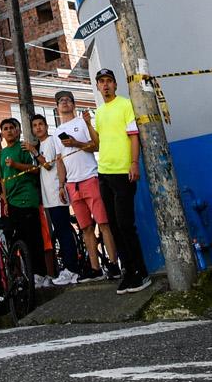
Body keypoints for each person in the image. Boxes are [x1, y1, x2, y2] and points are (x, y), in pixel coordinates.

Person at [79, 69, 151, 293]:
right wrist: (89, 124)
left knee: (125, 224)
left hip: (123, 172)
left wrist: (134, 163)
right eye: (102, 82)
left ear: (115, 85)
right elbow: (99, 143)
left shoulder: (125, 104)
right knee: (114, 226)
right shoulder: (99, 112)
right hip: (104, 173)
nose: (106, 85)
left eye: (109, 81)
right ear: (98, 86)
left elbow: (133, 136)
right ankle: (128, 272)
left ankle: (141, 272)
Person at [50, 90, 114, 281]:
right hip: (72, 184)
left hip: (90, 178)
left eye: (68, 100)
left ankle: (113, 264)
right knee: (85, 228)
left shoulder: (82, 122)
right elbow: (59, 161)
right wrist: (61, 185)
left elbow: (96, 145)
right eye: (61, 101)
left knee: (103, 223)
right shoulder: (55, 134)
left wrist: (76, 143)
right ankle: (95, 268)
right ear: (57, 107)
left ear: (73, 104)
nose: (64, 103)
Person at [0, 118, 50, 290]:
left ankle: (41, 275)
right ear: (2, 133)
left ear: (18, 131)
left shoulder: (24, 147)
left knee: (34, 238)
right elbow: (3, 179)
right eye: (5, 128)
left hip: (27, 199)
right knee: (19, 241)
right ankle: (27, 276)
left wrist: (16, 164)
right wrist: (4, 199)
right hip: (11, 202)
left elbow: (35, 169)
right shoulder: (3, 153)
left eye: (12, 128)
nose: (9, 131)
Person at [31, 112, 82, 285]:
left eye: (40, 124)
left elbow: (48, 164)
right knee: (59, 231)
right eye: (35, 125)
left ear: (46, 126)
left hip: (57, 193)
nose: (38, 127)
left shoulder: (51, 141)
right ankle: (68, 268)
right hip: (48, 197)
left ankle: (72, 269)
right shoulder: (41, 144)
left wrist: (34, 152)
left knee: (63, 231)